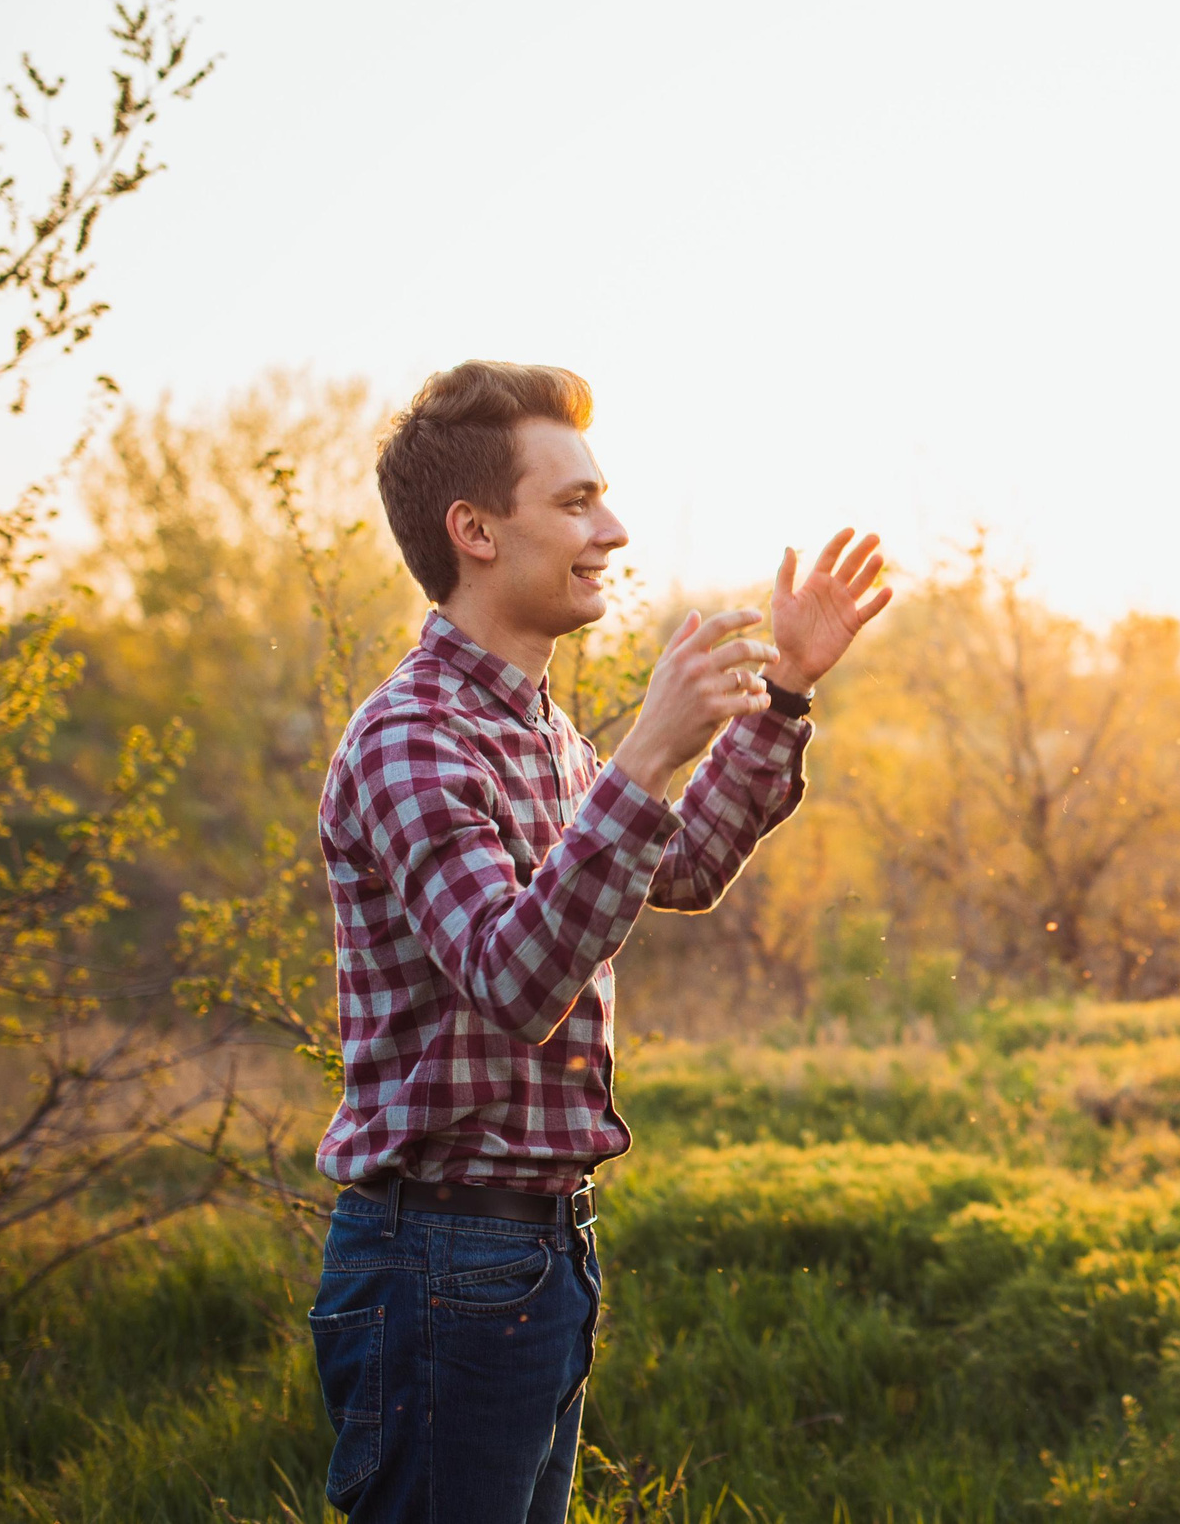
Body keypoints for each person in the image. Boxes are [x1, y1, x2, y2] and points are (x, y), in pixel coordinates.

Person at [304, 361, 892, 1522]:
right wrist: (644, 755)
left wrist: (780, 695)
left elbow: (674, 867)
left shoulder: (536, 727)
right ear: (473, 529)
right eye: (574, 502)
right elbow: (517, 976)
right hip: (440, 1260)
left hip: (536, 1258)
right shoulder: (411, 739)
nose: (611, 530)